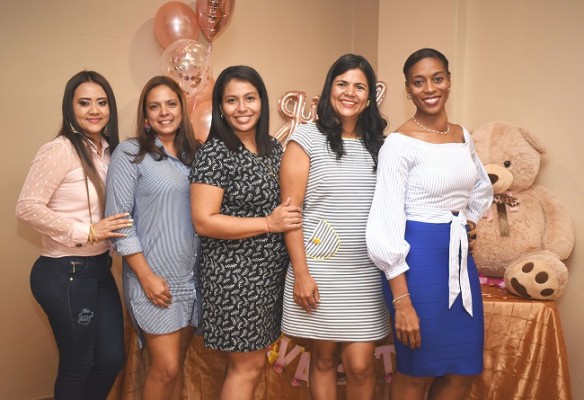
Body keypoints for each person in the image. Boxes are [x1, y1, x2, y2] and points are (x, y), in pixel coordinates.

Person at [366, 48, 493, 400]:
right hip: (416, 264)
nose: (429, 88)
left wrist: (468, 221)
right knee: (415, 371)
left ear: (449, 81)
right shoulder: (398, 143)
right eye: (418, 82)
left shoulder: (463, 136)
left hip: (457, 260)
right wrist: (403, 302)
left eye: (437, 78)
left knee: (462, 371)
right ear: (408, 89)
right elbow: (385, 219)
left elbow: (481, 188)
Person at [279, 54, 389, 400]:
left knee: (360, 364)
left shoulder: (381, 146)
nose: (350, 93)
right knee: (324, 359)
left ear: (369, 97)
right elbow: (291, 214)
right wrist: (301, 273)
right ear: (329, 90)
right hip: (319, 270)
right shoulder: (305, 140)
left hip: (367, 272)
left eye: (359, 86)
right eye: (342, 84)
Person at [189, 65, 302, 400]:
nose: (242, 108)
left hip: (266, 278)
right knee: (246, 367)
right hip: (235, 278)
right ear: (221, 107)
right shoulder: (215, 152)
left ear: (261, 101)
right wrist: (268, 224)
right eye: (232, 100)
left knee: (250, 365)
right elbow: (204, 220)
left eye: (250, 98)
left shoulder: (271, 147)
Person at [16, 70, 127, 399]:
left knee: (111, 359)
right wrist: (88, 231)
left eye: (102, 102)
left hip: (98, 270)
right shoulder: (60, 149)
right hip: (63, 271)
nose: (94, 110)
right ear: (70, 108)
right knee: (77, 364)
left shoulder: (110, 152)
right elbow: (27, 208)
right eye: (84, 102)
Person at [105, 75, 201, 400]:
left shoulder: (196, 154)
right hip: (154, 277)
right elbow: (119, 222)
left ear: (182, 109)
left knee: (177, 367)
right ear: (146, 116)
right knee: (166, 367)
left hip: (192, 279)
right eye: (154, 106)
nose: (164, 112)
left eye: (171, 104)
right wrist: (146, 277)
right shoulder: (131, 153)